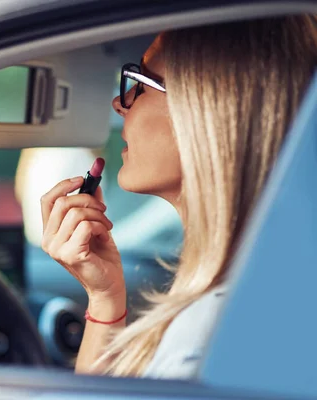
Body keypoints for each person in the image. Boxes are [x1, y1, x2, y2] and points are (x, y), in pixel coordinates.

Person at [40, 15, 317, 379]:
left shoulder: (208, 338)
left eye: (139, 84)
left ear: (207, 110)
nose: (119, 104)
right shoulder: (266, 298)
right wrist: (106, 298)